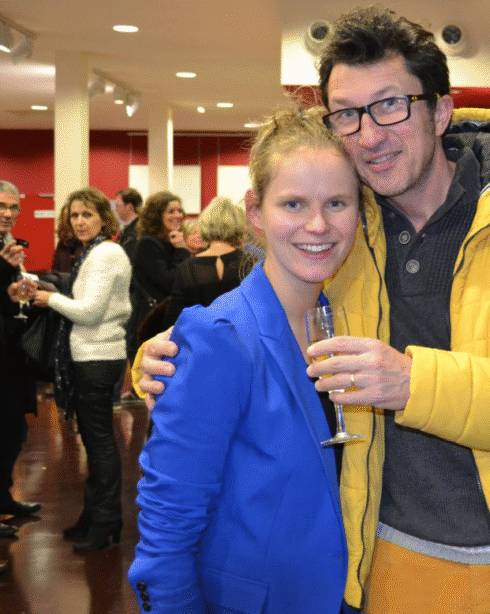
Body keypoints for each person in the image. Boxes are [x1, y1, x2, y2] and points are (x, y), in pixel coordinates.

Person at [138, 7, 490, 614]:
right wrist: (164, 363)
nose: (368, 134)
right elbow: (264, 317)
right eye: (347, 114)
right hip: (370, 568)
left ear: (440, 110)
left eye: (391, 105)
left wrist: (413, 381)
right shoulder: (346, 223)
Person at [128, 107, 360, 614]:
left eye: (337, 203)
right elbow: (166, 534)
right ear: (255, 211)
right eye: (294, 204)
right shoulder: (219, 338)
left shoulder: (342, 324)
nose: (318, 225)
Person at [17, 187, 131, 551]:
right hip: (92, 355)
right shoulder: (93, 253)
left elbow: (89, 311)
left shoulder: (105, 253)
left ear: (103, 217)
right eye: (74, 215)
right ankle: (95, 516)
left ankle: (106, 520)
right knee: (93, 441)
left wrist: (50, 299)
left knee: (99, 444)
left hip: (97, 356)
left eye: (88, 215)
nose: (80, 222)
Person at [0, 180, 41, 537]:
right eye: (2, 206)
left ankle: (3, 499)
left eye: (14, 208)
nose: (8, 214)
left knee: (14, 429)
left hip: (10, 352)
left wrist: (17, 288)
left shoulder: (8, 246)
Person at [162, 197, 248, 327]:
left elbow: (174, 319)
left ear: (205, 225)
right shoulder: (251, 263)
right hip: (244, 342)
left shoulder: (188, 267)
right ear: (239, 225)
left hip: (200, 343)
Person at [128, 191, 189, 358]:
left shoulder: (171, 242)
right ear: (157, 216)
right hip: (151, 327)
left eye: (179, 210)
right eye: (171, 211)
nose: (178, 215)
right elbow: (172, 282)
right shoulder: (148, 244)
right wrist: (182, 250)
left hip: (166, 325)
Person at [114, 187, 142, 261]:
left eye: (118, 205)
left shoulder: (135, 231)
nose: (116, 209)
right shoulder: (129, 228)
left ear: (129, 207)